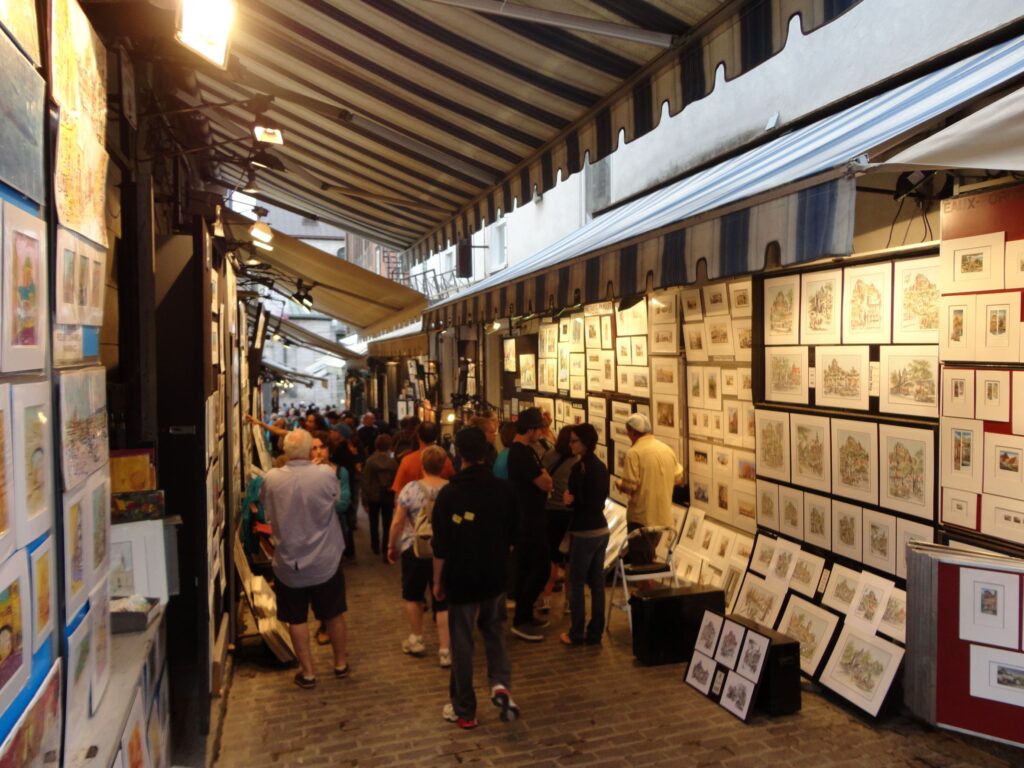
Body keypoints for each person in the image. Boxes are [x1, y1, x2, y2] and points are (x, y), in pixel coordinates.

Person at [432, 427, 519, 729]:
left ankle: (465, 710)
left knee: (462, 642)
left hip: (461, 578)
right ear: (486, 451)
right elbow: (512, 535)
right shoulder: (504, 489)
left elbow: (440, 546)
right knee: (494, 632)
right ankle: (499, 684)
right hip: (494, 575)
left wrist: (436, 582)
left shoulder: (449, 494)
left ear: (458, 453)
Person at [260, 429, 349, 688]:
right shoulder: (325, 474)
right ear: (310, 450)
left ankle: (308, 672)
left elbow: (266, 510)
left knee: (296, 619)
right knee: (333, 613)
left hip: (289, 560)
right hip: (325, 559)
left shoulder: (272, 478)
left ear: (285, 451)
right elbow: (336, 500)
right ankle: (340, 663)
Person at [387, 445, 452, 667]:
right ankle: (445, 649)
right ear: (443, 465)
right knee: (442, 599)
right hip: (444, 550)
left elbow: (398, 522)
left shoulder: (410, 489)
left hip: (414, 548)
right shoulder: (450, 490)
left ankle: (416, 638)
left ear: (422, 465)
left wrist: (391, 545)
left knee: (413, 595)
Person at [560, 423, 610, 646]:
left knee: (577, 581)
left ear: (585, 443)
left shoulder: (579, 470)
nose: (570, 444)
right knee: (597, 583)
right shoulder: (601, 467)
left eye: (574, 441)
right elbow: (598, 500)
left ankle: (577, 632)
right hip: (601, 529)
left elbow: (578, 502)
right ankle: (595, 632)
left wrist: (569, 500)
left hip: (584, 531)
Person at [507, 407, 554, 641]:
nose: (542, 433)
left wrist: (544, 476)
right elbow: (546, 483)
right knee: (541, 567)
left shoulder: (525, 451)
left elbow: (546, 479)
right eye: (540, 429)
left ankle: (524, 616)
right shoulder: (522, 454)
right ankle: (522, 617)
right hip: (529, 520)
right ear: (532, 429)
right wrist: (544, 476)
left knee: (529, 568)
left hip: (530, 517)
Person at [615, 414, 684, 565]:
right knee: (649, 557)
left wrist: (619, 484)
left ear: (632, 432)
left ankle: (646, 589)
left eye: (628, 433)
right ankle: (646, 588)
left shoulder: (634, 453)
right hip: (662, 517)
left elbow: (630, 486)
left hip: (641, 518)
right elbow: (679, 478)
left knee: (641, 564)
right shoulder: (667, 450)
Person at [538, 426, 578, 613]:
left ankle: (546, 597)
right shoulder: (578, 461)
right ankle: (570, 602)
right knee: (569, 559)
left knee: (551, 557)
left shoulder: (548, 456)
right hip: (569, 512)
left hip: (549, 511)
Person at [391, 422, 456, 496]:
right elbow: (452, 486)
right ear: (436, 436)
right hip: (438, 505)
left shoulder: (407, 461)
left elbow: (398, 491)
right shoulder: (445, 460)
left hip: (412, 505)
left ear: (418, 436)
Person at [362, 433, 399, 558]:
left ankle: (375, 545)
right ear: (389, 446)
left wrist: (365, 500)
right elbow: (396, 480)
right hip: (387, 496)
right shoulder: (393, 462)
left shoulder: (370, 461)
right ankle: (386, 547)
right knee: (387, 523)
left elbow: (366, 481)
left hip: (373, 496)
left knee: (373, 522)